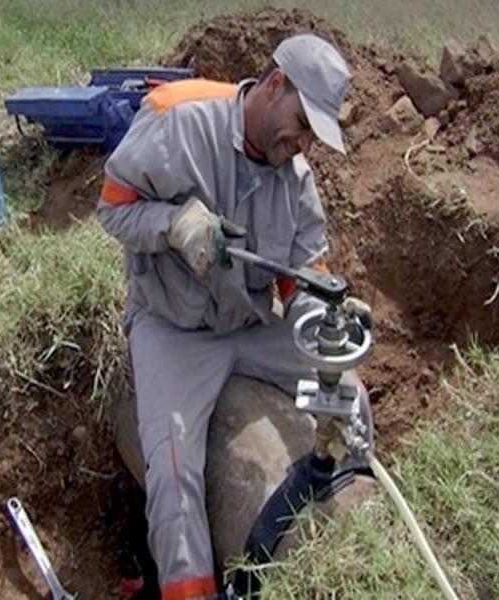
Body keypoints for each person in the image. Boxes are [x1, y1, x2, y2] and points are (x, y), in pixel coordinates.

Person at [98, 34, 369, 600]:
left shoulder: (295, 177)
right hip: (174, 328)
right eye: (301, 123)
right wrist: (173, 226)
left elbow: (303, 270)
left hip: (248, 323)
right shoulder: (179, 117)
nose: (303, 145)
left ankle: (364, 534)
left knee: (351, 396)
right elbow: (114, 208)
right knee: (173, 476)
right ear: (275, 85)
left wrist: (320, 315)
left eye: (315, 136)